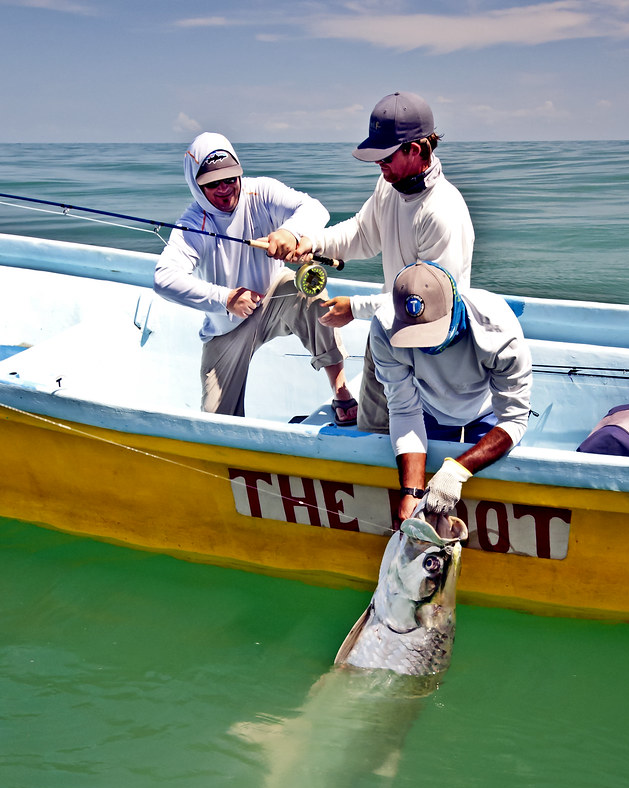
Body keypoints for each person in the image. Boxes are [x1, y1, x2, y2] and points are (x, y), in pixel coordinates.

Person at [269, 92, 474, 433]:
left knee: (417, 440)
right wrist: (311, 241)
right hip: (387, 334)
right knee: (372, 432)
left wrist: (356, 307)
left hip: (433, 352)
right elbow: (362, 234)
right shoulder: (389, 184)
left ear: (417, 150)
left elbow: (432, 305)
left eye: (386, 155)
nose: (379, 163)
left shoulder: (443, 213)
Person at [153, 132, 357, 424]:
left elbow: (314, 208)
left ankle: (340, 391)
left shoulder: (260, 192)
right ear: (196, 186)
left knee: (307, 289)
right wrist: (226, 299)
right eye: (212, 184)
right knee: (216, 422)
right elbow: (164, 278)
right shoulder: (191, 224)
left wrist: (290, 233)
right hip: (227, 324)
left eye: (230, 178)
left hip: (275, 297)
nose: (225, 189)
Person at [370, 260, 532, 523]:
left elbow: (513, 419)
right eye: (413, 336)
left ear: (455, 307)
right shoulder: (384, 326)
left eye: (430, 333)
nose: (422, 345)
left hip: (490, 419)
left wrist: (457, 471)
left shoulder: (498, 330)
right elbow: (403, 409)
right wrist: (411, 491)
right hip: (427, 414)